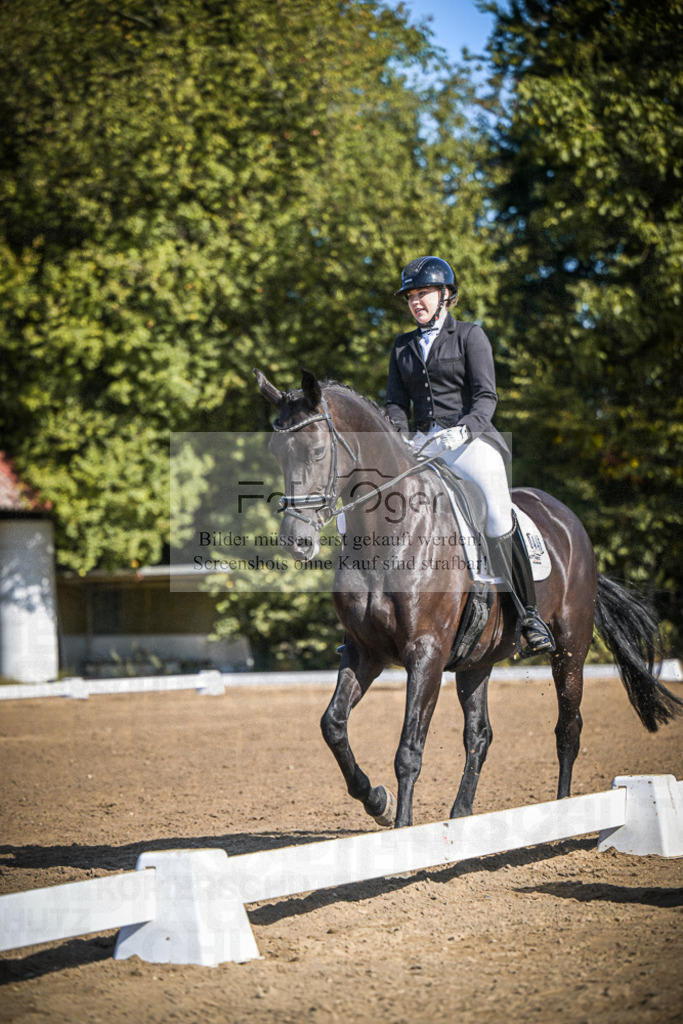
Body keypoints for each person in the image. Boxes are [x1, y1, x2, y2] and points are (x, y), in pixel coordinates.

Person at [385, 255, 555, 656]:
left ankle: (528, 615)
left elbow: (486, 396)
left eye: (423, 293)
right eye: (410, 296)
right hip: (422, 445)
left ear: (445, 295)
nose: (416, 302)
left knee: (497, 511)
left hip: (468, 442)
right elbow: (394, 401)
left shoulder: (469, 336)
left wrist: (465, 429)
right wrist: (400, 433)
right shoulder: (402, 346)